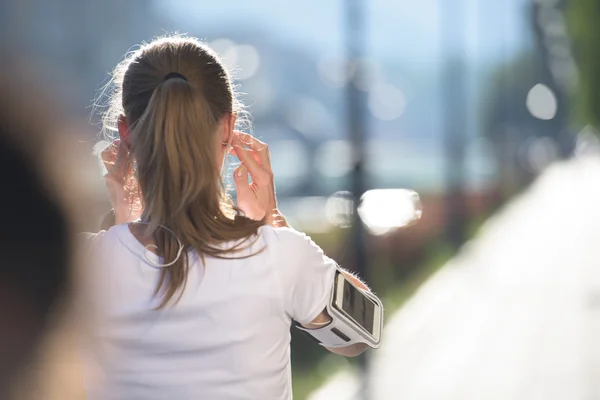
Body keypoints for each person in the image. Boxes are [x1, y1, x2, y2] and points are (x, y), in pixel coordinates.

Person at [83, 34, 376, 400]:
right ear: (227, 128)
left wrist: (121, 226)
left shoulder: (82, 266)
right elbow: (364, 332)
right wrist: (273, 222)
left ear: (125, 134)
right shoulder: (276, 256)